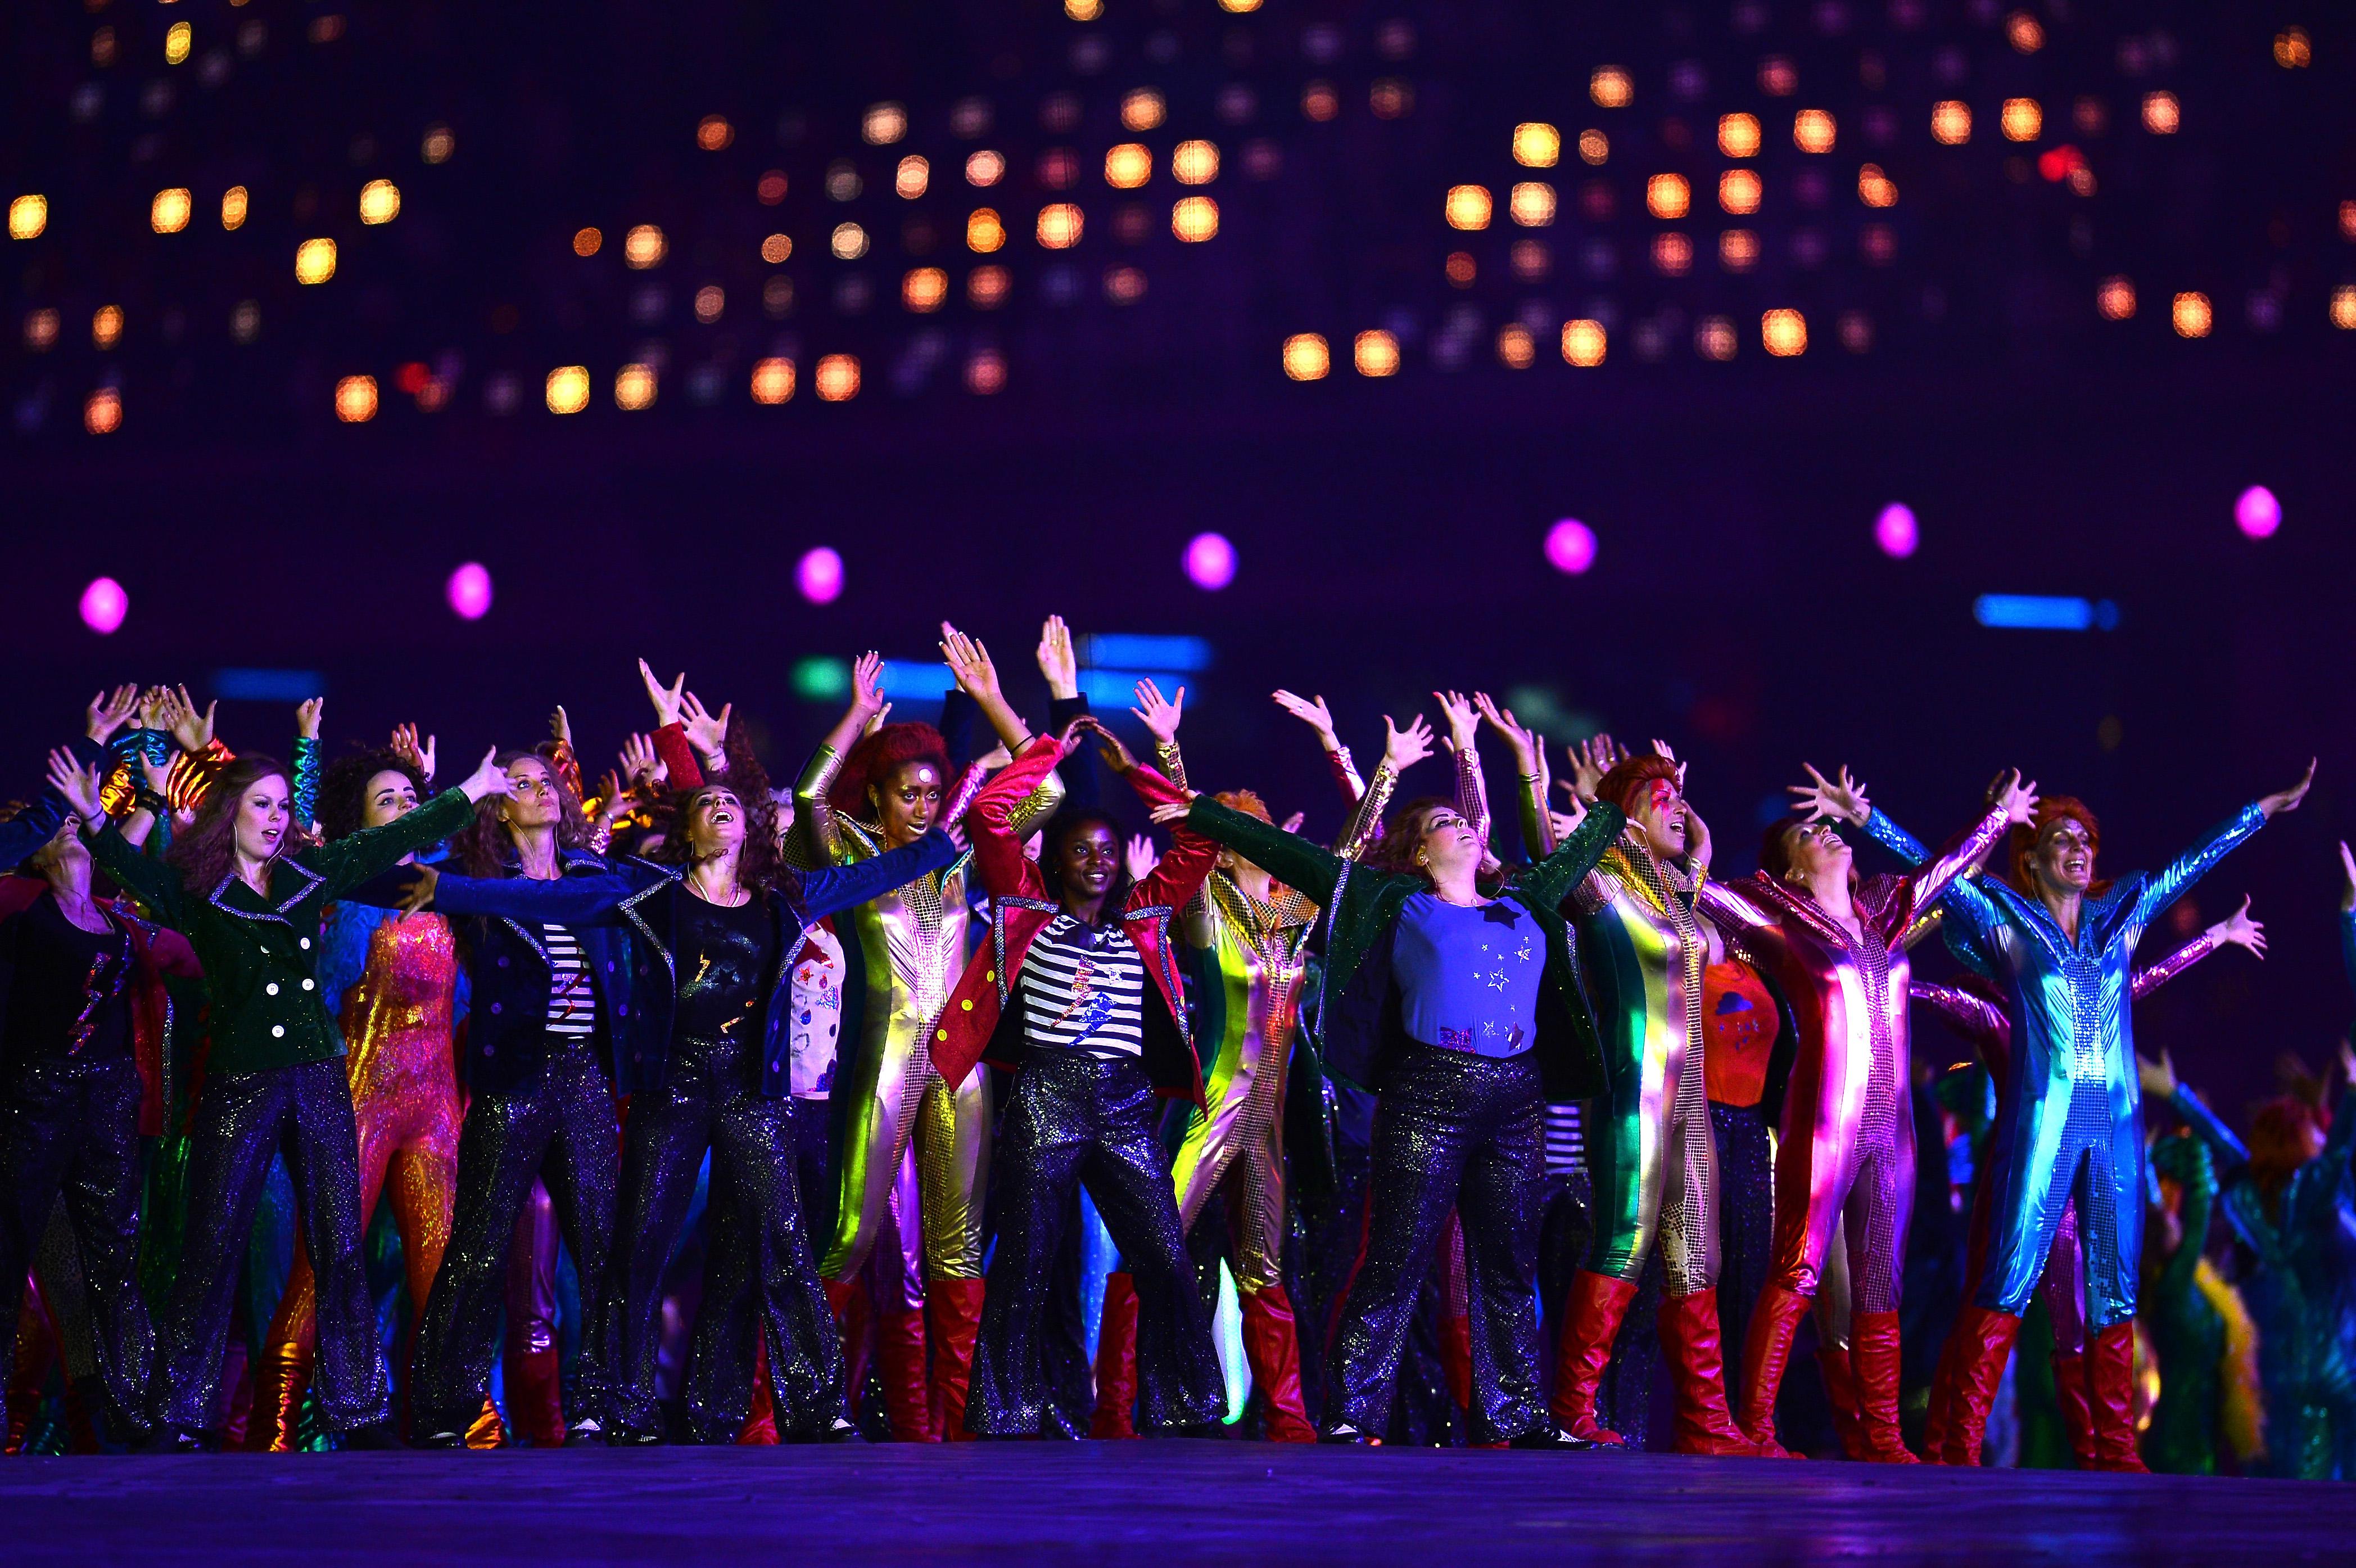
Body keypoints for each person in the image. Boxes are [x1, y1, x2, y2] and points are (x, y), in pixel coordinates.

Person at [402, 722, 958, 1443]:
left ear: (749, 827)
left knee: (782, 1239)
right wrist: (450, 889)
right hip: (675, 1083)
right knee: (638, 1242)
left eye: (733, 801)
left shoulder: (784, 897)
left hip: (751, 1089)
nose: (723, 807)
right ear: (689, 830)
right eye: (708, 802)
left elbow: (870, 874)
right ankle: (617, 1403)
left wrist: (946, 841)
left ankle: (812, 1404)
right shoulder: (653, 893)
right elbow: (552, 903)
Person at [1174, 727, 1628, 1447]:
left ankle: (1518, 1412)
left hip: (1518, 1095)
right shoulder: (1396, 901)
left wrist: (1617, 792)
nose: (1464, 826)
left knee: (1507, 1259)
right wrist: (1200, 810)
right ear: (1420, 851)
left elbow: (1582, 846)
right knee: (1397, 1251)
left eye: (1465, 819)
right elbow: (1295, 856)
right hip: (1430, 1092)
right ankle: (1354, 1406)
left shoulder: (1528, 900)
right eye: (1445, 822)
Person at [49, 742, 509, 1451]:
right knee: (212, 1241)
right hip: (241, 1079)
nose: (273, 816)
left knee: (338, 1244)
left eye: (282, 805)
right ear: (230, 811)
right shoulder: (195, 889)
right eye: (260, 803)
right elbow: (130, 868)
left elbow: (386, 840)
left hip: (319, 1074)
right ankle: (184, 1411)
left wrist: (470, 789)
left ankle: (358, 1407)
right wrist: (92, 818)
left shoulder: (306, 873)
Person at [1865, 761, 2313, 1470]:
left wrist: (2262, 808)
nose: (2079, 847)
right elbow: (1935, 872)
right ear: (2032, 857)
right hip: (2040, 1126)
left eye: (2086, 838)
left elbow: (2188, 865)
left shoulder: (2122, 918)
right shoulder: (2008, 921)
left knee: (2115, 1285)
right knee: (2007, 1275)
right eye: (2061, 837)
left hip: (2114, 1127)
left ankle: (2112, 1447)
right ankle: (1956, 1449)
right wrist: (1868, 820)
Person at [927, 626, 1227, 1438]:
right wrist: (1053, 741)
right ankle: (1009, 1406)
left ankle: (1187, 1403)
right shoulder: (1025, 906)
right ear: (1056, 863)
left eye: (1107, 851)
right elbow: (992, 814)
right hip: (1046, 1094)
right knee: (1025, 1257)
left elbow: (1202, 836)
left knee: (1163, 1255)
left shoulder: (1146, 915)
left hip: (1125, 1103)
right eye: (1081, 851)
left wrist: (1140, 767)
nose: (1098, 861)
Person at [1697, 765, 2031, 1460]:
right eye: (1810, 833)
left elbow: (1945, 870)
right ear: (1790, 866)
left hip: (1894, 1130)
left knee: (1883, 1279)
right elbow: (1697, 889)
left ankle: (1881, 1433)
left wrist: (1997, 816)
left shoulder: (1885, 907)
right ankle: (1756, 1427)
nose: (1827, 832)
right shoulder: (1779, 919)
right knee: (1800, 1266)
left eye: (1827, 826)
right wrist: (1680, 842)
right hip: (1824, 1124)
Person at [772, 650, 1057, 1442]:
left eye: (934, 791)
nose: (925, 804)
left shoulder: (964, 848)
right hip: (886, 1055)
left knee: (957, 1245)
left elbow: (1051, 788)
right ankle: (810, 1402)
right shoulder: (855, 854)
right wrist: (859, 716)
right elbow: (806, 796)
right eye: (909, 792)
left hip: (958, 1066)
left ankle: (943, 1423)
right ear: (878, 794)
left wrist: (995, 698)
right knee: (853, 1233)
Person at [1910, 898, 2264, 1465]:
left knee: (2073, 1318)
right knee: (1987, 1300)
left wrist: (2217, 936)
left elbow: (2145, 978)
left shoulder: (2079, 995)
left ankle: (2098, 1449)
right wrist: (1886, 969)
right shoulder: (1994, 1007)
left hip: (2076, 1174)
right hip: (2019, 1175)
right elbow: (1935, 993)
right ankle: (1951, 1444)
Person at [246, 734, 486, 1449]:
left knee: (442, 1266)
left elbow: (467, 1004)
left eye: (414, 797)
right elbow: (327, 987)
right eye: (391, 799)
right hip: (361, 1101)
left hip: (436, 1108)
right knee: (326, 1262)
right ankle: (279, 1421)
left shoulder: (454, 895)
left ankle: (461, 1420)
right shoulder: (350, 899)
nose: (408, 806)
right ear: (362, 825)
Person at [1549, 747, 1756, 1454]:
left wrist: (1686, 822)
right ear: (1628, 816)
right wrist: (1599, 807)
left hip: (1691, 1101)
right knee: (1625, 1241)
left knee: (1700, 1257)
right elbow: (1551, 858)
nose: (1680, 806)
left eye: (1682, 794)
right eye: (1661, 795)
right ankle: (1573, 1409)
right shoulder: (1601, 882)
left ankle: (1707, 1422)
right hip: (1633, 1090)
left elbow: (1695, 856)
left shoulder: (1674, 891)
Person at [0, 747, 198, 1450]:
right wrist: (66, 795)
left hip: (111, 1097)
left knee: (116, 1255)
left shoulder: (120, 920)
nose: (68, 838)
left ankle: (133, 1409)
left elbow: (182, 942)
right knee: (12, 1247)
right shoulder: (20, 906)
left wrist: (152, 791)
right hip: (37, 1091)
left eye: (74, 830)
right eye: (52, 833)